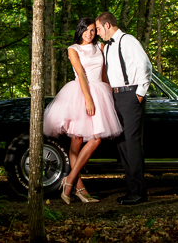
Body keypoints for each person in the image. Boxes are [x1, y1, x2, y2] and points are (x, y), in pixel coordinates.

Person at [43, 17, 122, 204]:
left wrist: (110, 93)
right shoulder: (73, 49)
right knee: (76, 140)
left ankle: (69, 180)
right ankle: (80, 188)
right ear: (80, 30)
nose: (90, 33)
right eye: (86, 29)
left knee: (96, 139)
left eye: (93, 30)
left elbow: (103, 74)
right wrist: (88, 99)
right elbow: (80, 74)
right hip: (79, 93)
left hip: (100, 92)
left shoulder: (100, 48)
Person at [95, 12, 152, 205]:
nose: (98, 33)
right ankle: (132, 190)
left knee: (133, 143)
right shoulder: (107, 46)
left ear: (108, 25)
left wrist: (140, 94)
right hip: (116, 96)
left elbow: (145, 65)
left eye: (100, 29)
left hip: (131, 95)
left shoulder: (128, 41)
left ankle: (139, 192)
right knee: (122, 143)